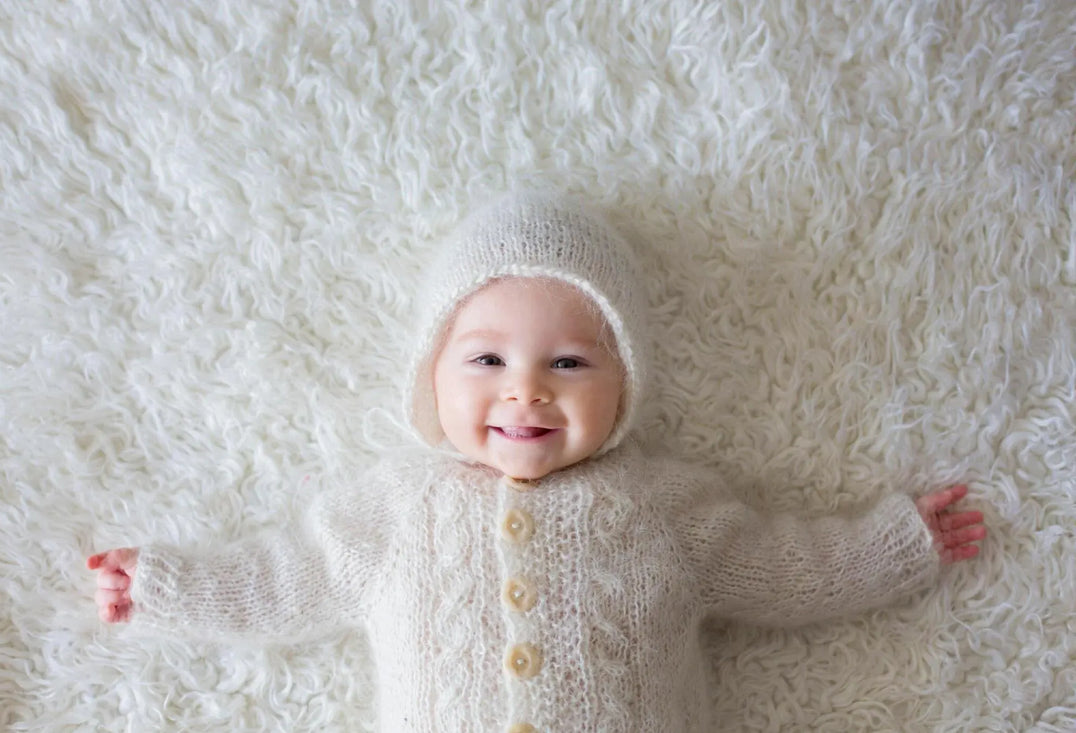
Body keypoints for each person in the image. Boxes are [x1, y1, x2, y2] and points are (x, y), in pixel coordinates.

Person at [88, 190, 986, 732]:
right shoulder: (397, 507)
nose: (526, 392)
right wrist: (163, 585)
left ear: (624, 379)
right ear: (429, 377)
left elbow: (790, 566)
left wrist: (895, 543)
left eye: (569, 363)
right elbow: (287, 578)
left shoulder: (668, 507)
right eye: (485, 361)